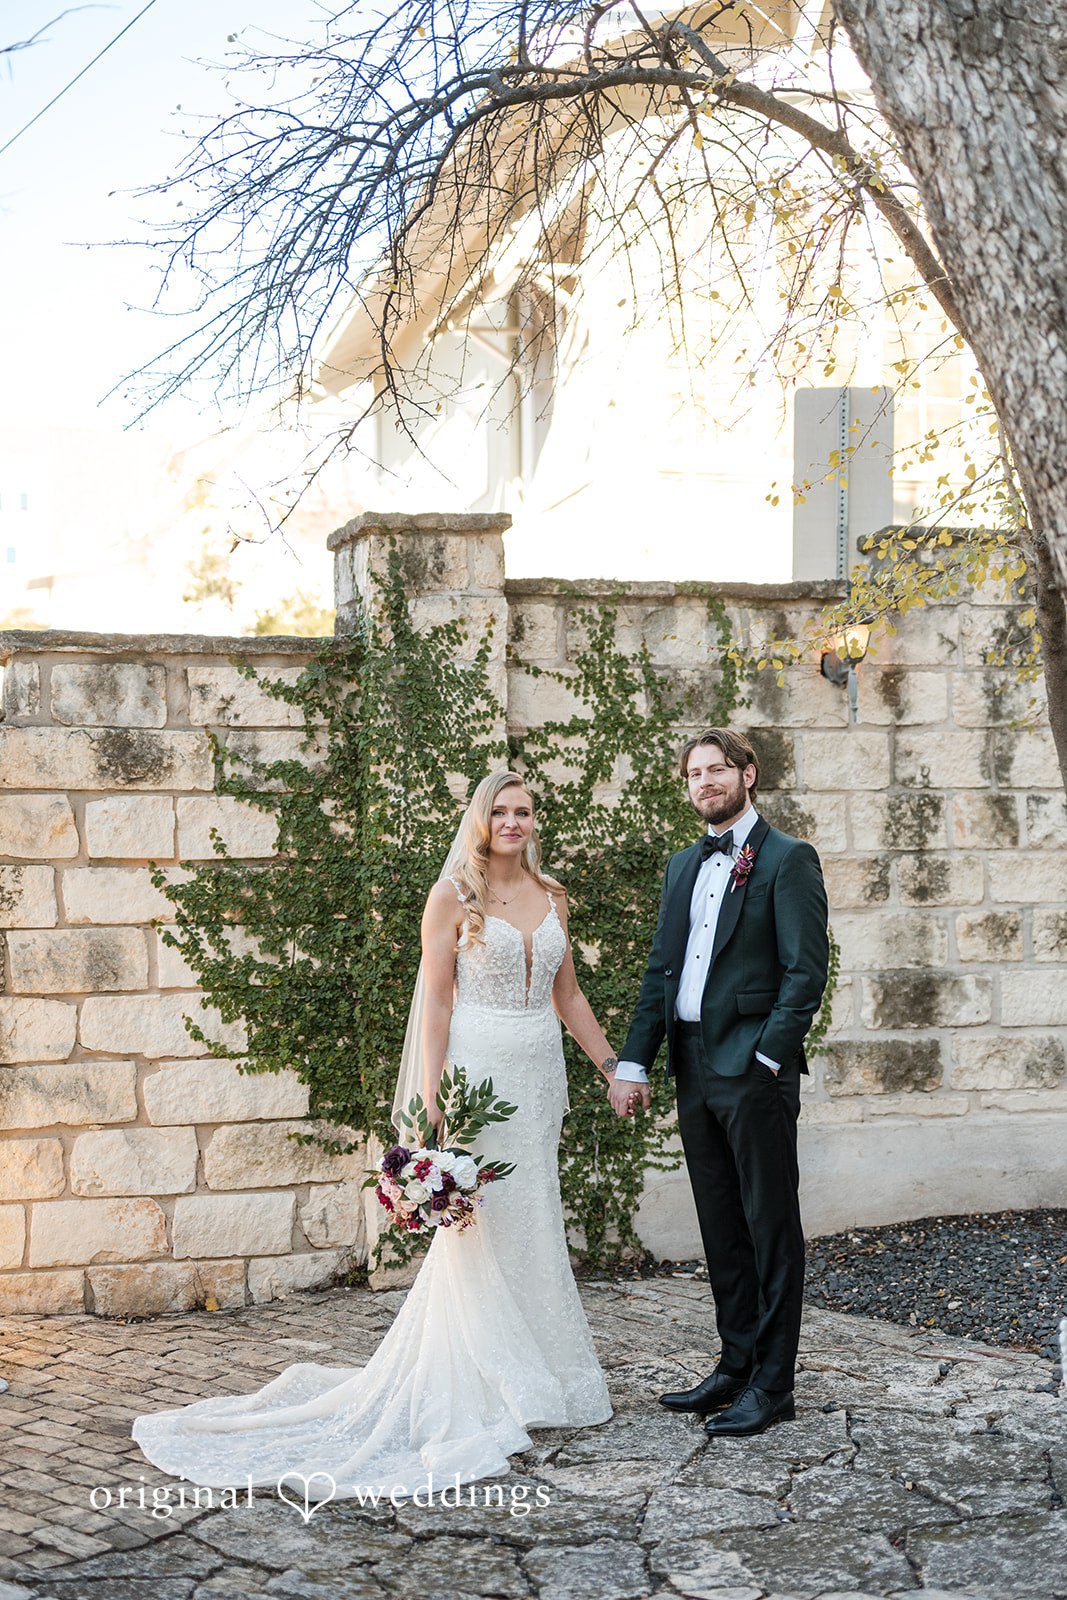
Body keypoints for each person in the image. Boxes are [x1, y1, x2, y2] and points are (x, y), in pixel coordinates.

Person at [132, 771, 619, 1500]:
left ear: (533, 821)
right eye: (500, 812)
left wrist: (612, 1067)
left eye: (523, 812)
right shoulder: (452, 895)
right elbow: (435, 1003)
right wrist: (430, 1102)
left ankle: (541, 1372)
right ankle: (486, 1380)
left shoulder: (553, 897)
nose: (512, 822)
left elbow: (569, 995)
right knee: (479, 1225)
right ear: (480, 820)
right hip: (476, 1074)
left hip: (539, 1076)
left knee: (533, 1214)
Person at [611, 728, 829, 1438]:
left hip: (752, 1069)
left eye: (717, 769)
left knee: (769, 1228)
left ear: (747, 774)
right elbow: (660, 971)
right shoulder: (683, 865)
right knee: (720, 1224)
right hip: (691, 1064)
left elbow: (805, 971)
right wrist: (634, 1060)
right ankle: (735, 1366)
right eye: (694, 773)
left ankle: (773, 1385)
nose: (705, 781)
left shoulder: (787, 859)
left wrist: (770, 1056)